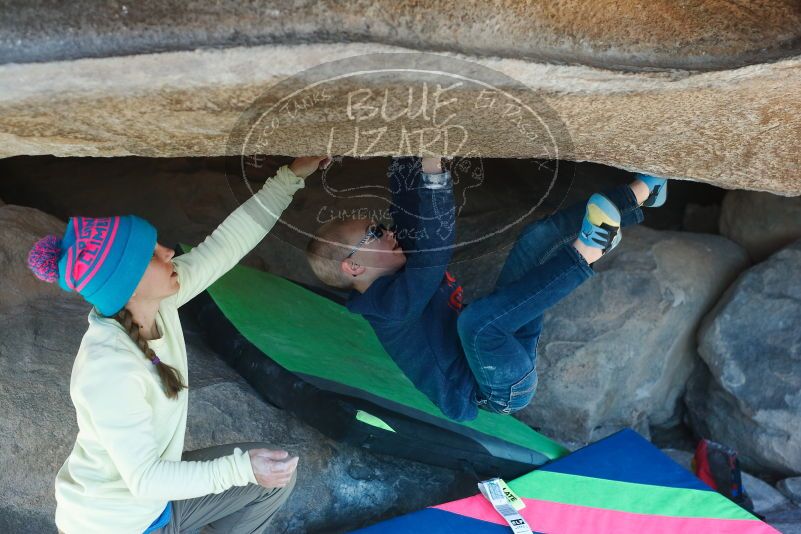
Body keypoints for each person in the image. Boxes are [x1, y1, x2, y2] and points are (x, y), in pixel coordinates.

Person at [27, 156, 331, 534]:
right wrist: (241, 468)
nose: (169, 252)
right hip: (119, 525)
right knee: (252, 473)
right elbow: (146, 480)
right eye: (153, 255)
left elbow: (226, 246)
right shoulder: (109, 369)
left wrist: (290, 176)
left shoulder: (157, 304)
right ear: (128, 283)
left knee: (266, 483)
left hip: (158, 507)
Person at [306, 156, 667, 422]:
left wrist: (406, 156)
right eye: (373, 234)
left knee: (533, 240)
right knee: (476, 322)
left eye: (379, 226)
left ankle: (642, 192)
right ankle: (590, 249)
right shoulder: (390, 307)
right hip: (498, 388)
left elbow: (408, 218)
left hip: (501, 342)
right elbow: (436, 245)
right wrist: (433, 169)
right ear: (354, 267)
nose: (386, 232)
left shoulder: (392, 269)